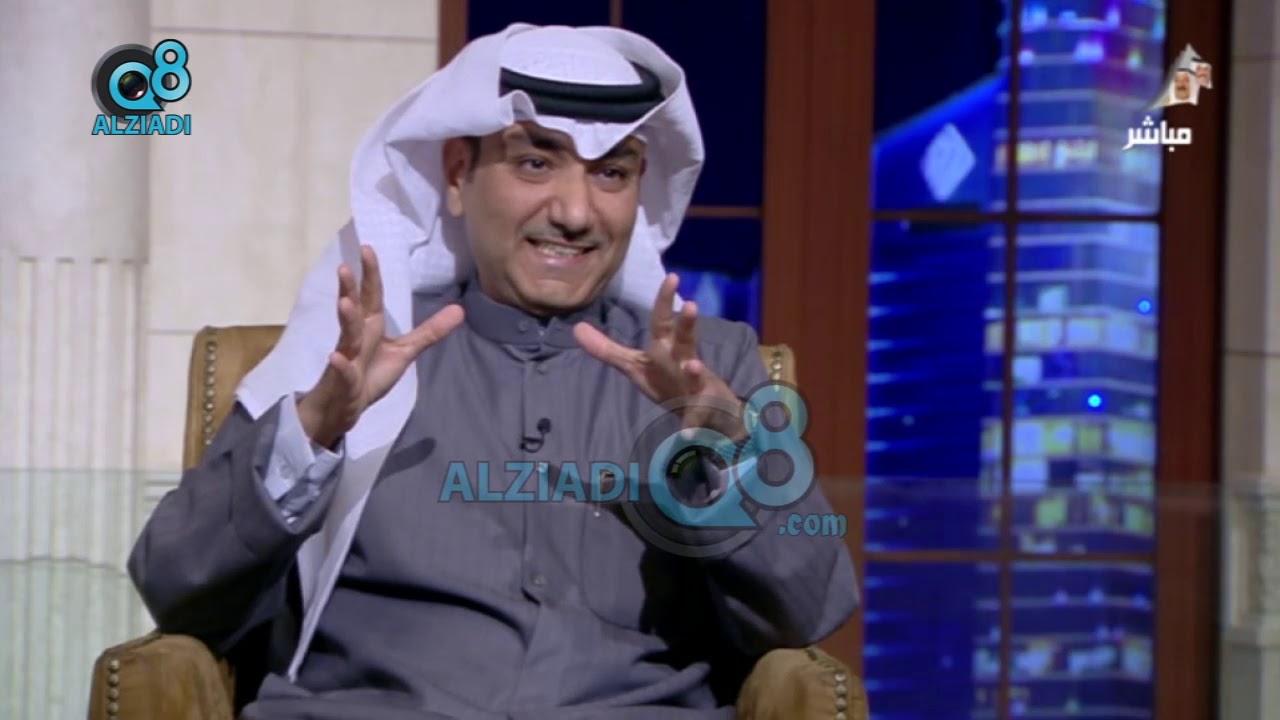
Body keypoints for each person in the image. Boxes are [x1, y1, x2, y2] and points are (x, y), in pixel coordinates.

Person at [127, 23, 858, 720]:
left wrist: (720, 445)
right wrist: (315, 429)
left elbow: (807, 608)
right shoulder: (348, 352)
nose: (576, 212)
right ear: (457, 174)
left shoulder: (708, 367)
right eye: (535, 163)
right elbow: (177, 587)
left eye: (611, 172)